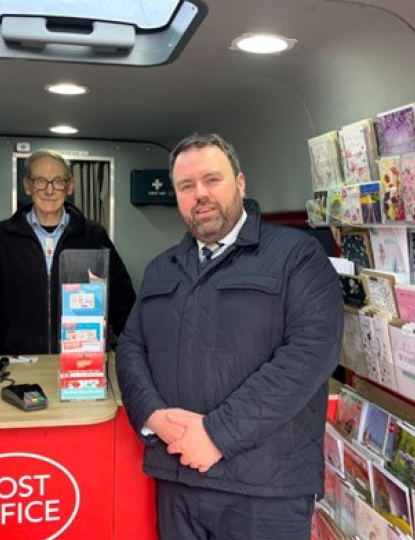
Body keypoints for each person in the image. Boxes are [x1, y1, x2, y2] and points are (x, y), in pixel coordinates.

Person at [117, 133, 344, 539]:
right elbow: (131, 348)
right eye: (186, 186)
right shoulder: (160, 269)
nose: (200, 194)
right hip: (179, 478)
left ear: (240, 183)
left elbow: (310, 354)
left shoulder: (297, 256)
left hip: (266, 490)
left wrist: (216, 434)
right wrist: (153, 416)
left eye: (212, 180)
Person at [0, 149, 136, 355]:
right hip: (20, 360)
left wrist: (132, 346)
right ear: (28, 186)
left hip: (82, 359)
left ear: (69, 187)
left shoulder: (93, 235)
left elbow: (120, 296)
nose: (49, 190)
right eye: (40, 181)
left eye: (58, 181)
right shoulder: (0, 237)